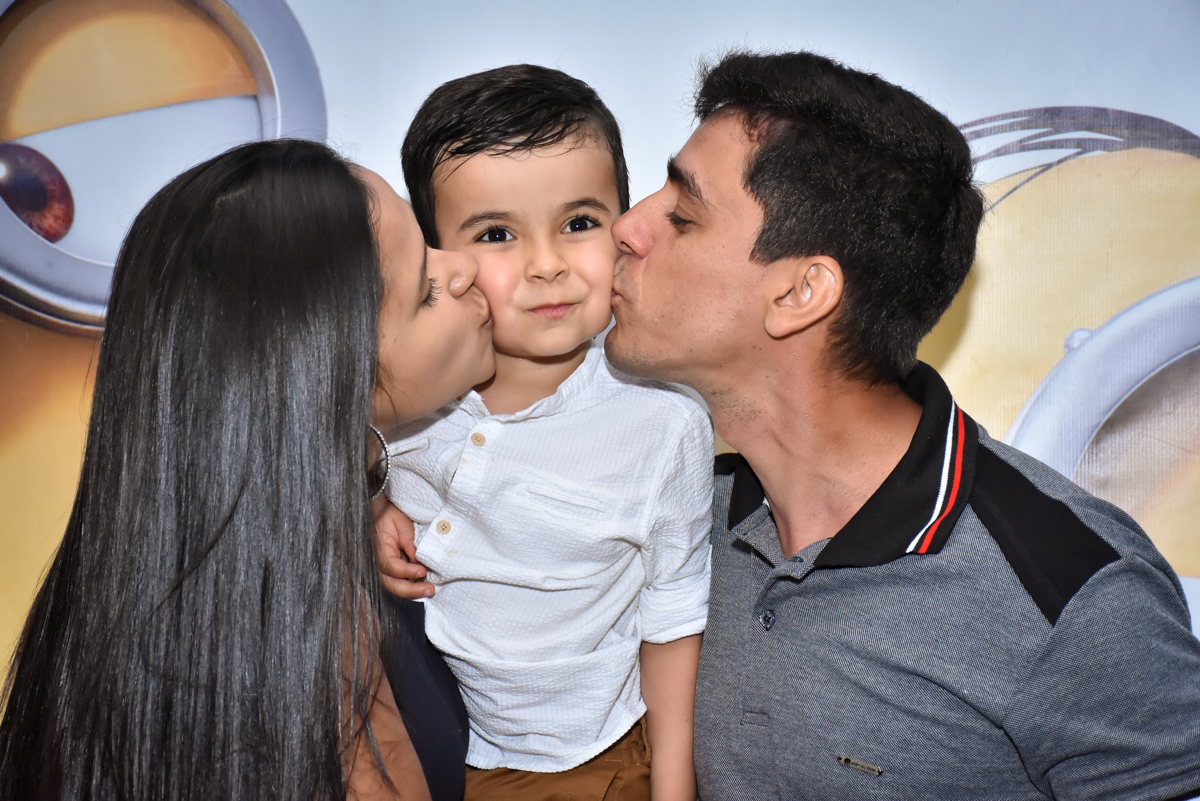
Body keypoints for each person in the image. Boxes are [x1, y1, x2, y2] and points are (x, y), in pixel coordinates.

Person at [603, 50, 1200, 800]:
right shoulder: (674, 509)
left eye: (682, 215)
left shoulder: (1074, 590)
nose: (626, 228)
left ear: (801, 291)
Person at [0, 139, 494, 800]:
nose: (465, 266)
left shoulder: (380, 550)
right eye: (427, 291)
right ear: (325, 382)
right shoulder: (215, 710)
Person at [375, 64, 713, 800]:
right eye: (497, 233)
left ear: (624, 225)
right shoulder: (409, 390)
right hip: (430, 740)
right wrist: (371, 508)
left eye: (579, 223)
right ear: (435, 255)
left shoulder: (663, 419)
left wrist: (675, 785)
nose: (548, 264)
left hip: (589, 760)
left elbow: (675, 611)